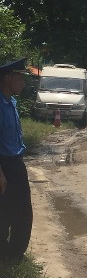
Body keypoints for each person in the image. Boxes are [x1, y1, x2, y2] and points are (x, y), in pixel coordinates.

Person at [0, 59, 33, 263]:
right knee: (5, 212)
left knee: (23, 211)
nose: (23, 83)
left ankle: (15, 254)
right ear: (7, 79)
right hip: (4, 165)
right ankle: (4, 256)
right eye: (19, 78)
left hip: (16, 163)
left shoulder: (11, 102)